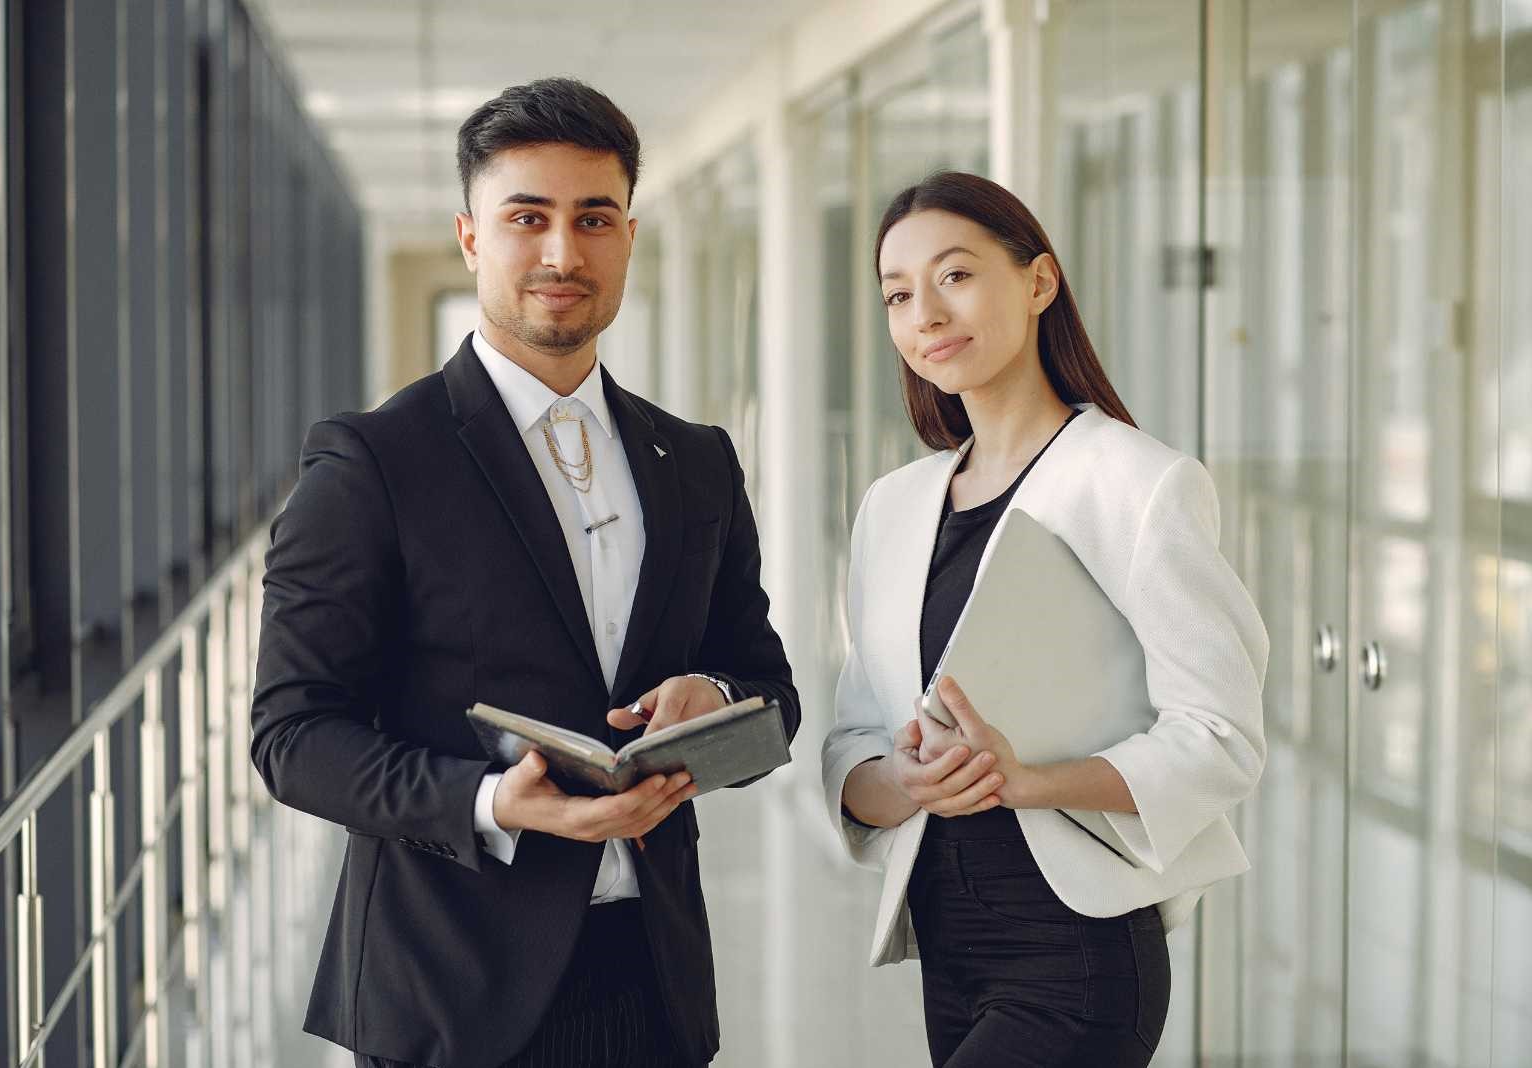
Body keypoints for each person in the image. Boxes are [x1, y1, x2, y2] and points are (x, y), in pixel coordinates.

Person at [251, 77, 799, 1068]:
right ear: (471, 237)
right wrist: (489, 802)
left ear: (628, 235)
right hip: (450, 992)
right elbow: (292, 736)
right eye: (526, 218)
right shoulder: (373, 460)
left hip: (653, 984)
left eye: (593, 218)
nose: (562, 252)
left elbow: (771, 697)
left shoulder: (698, 461)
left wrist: (713, 697)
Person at [820, 171, 1268, 1068]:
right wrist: (908, 778)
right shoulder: (893, 507)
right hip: (946, 949)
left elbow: (1222, 737)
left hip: (1078, 951)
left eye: (955, 275)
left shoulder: (1138, 483)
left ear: (1037, 282)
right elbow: (850, 747)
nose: (926, 315)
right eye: (898, 295)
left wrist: (1029, 779)